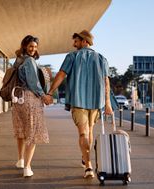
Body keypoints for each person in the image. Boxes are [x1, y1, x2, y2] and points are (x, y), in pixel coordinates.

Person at [46, 30, 113, 178]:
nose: (73, 44)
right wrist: (107, 103)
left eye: (76, 41)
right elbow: (106, 82)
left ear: (84, 41)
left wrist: (50, 92)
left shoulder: (72, 57)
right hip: (96, 102)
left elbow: (61, 75)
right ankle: (86, 158)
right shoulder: (102, 59)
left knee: (83, 133)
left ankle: (88, 165)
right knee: (89, 131)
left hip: (78, 100)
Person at [11, 35, 53, 177]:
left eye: (35, 47)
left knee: (21, 131)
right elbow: (34, 83)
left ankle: (20, 160)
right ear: (24, 45)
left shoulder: (18, 60)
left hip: (18, 100)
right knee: (32, 133)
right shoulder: (29, 61)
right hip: (30, 99)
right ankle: (27, 167)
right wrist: (44, 96)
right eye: (30, 46)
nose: (33, 49)